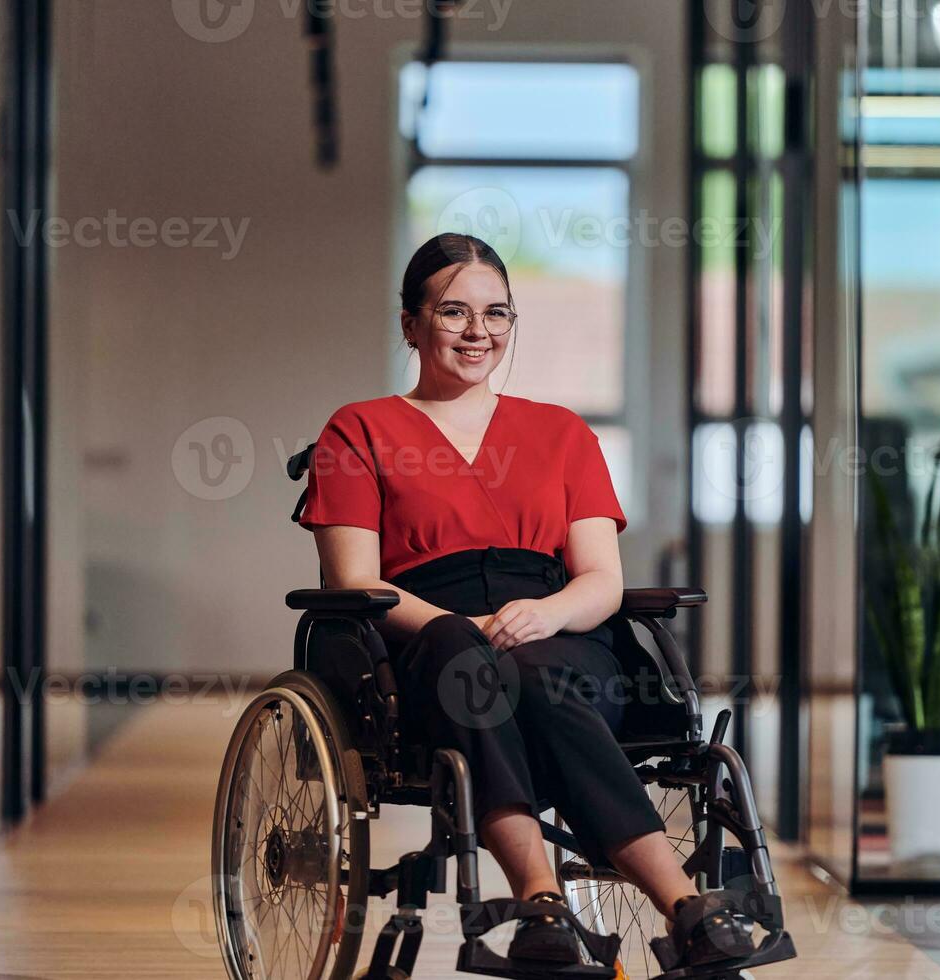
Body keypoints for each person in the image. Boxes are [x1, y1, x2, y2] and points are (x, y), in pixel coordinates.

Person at [300, 233, 753, 968]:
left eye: (496, 313)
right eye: (453, 312)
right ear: (411, 324)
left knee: (541, 673)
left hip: (561, 629)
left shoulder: (561, 432)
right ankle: (540, 897)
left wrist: (548, 613)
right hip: (423, 637)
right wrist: (462, 624)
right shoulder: (359, 428)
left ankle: (680, 904)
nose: (479, 332)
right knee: (461, 652)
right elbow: (355, 580)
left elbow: (602, 578)